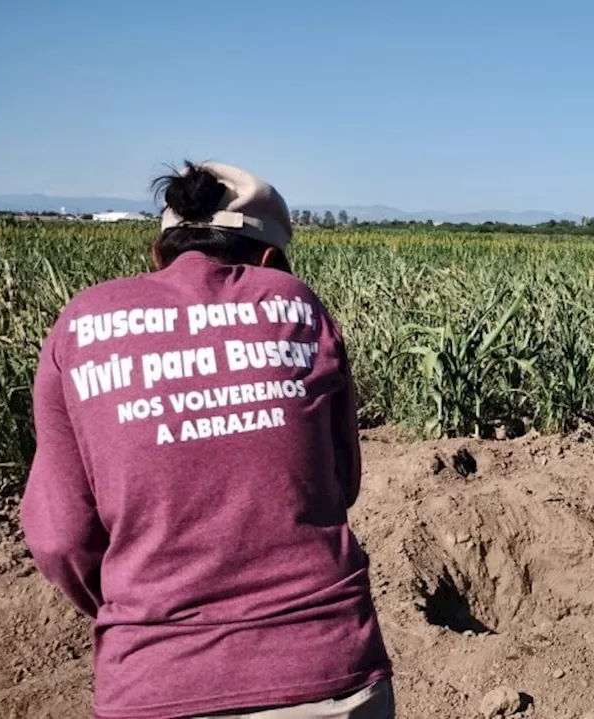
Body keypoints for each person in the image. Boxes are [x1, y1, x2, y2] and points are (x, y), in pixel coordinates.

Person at [20, 162, 393, 719]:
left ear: (158, 252)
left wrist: (144, 608)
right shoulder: (295, 304)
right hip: (325, 669)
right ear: (269, 259)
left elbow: (61, 538)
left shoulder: (80, 323)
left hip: (152, 681)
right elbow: (341, 481)